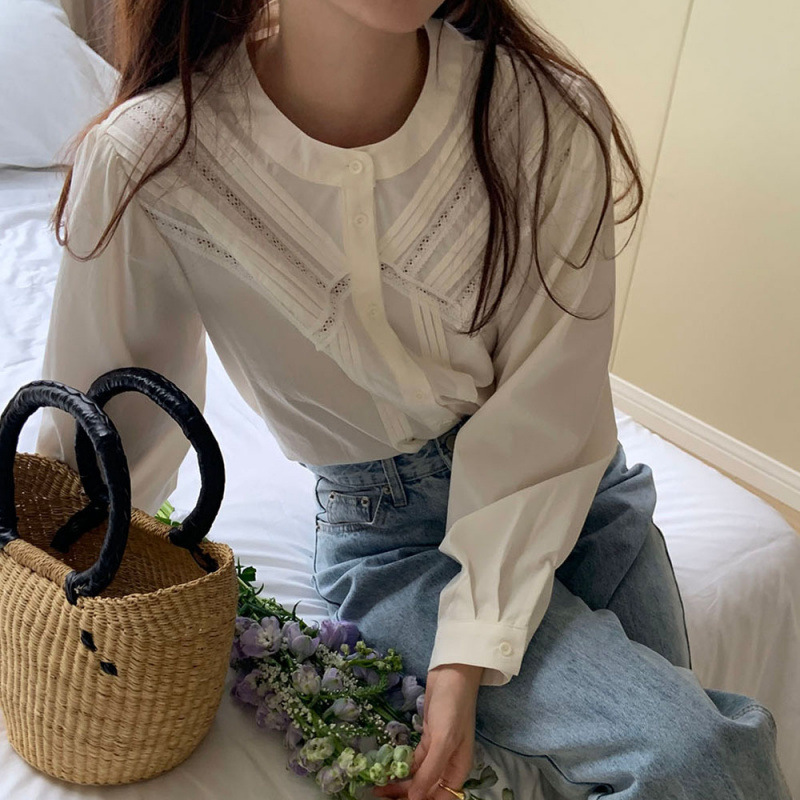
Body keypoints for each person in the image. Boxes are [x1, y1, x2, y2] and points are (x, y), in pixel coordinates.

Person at [37, 1, 791, 798]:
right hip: (393, 544)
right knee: (696, 757)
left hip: (575, 499)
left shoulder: (545, 118)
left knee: (695, 759)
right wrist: (59, 593)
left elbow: (553, 409)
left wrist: (463, 662)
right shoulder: (153, 157)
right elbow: (103, 434)